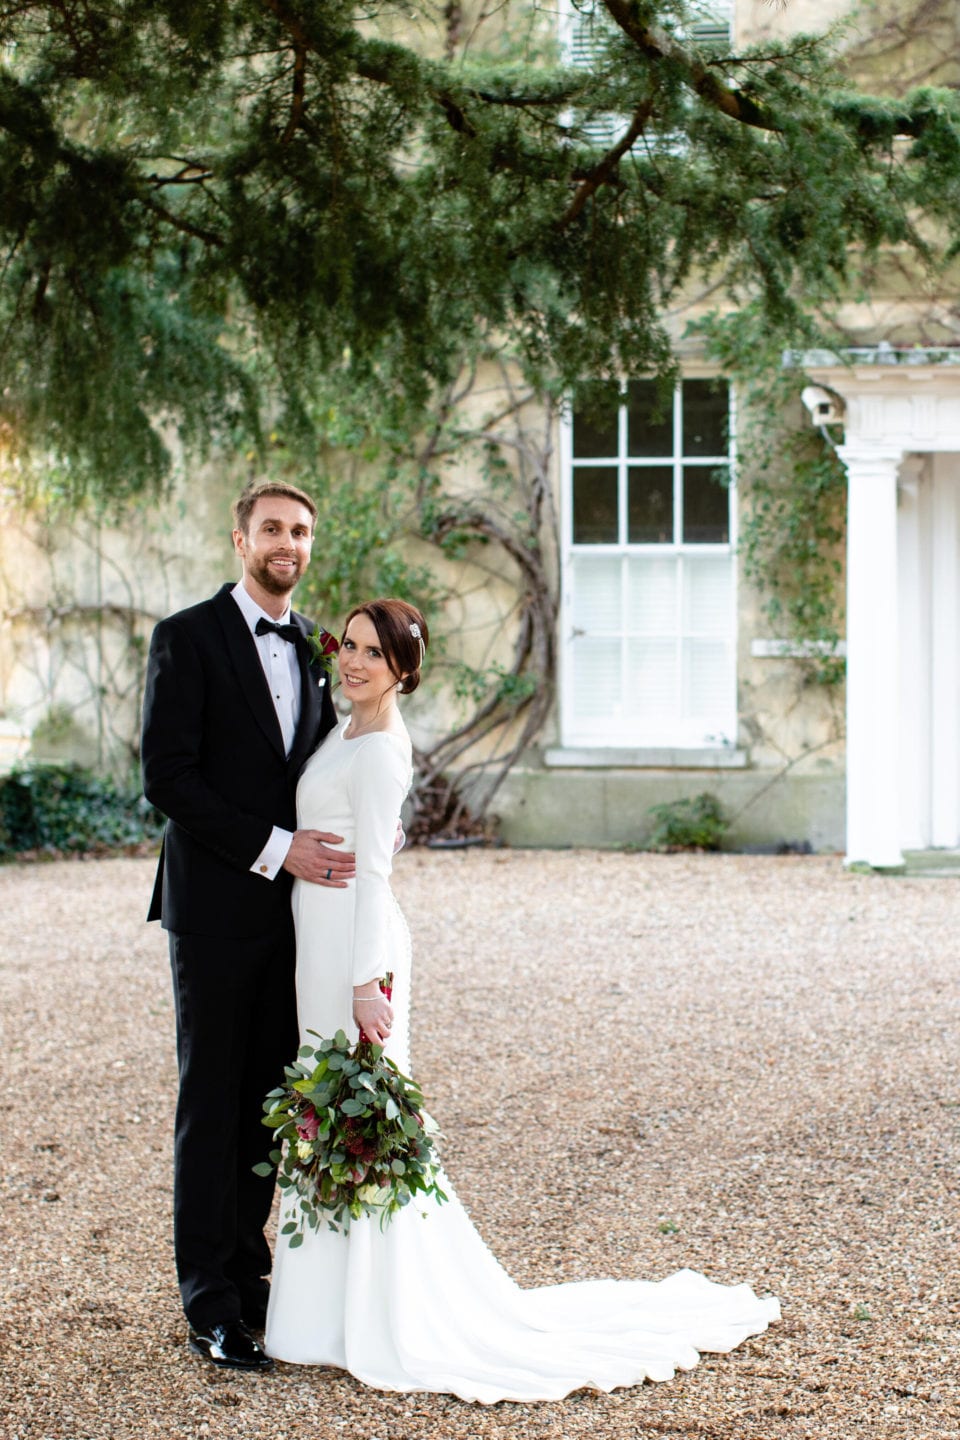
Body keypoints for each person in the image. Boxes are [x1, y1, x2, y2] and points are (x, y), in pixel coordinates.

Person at [264, 597, 780, 1402]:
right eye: (352, 646)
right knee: (326, 1110)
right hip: (318, 942)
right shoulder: (347, 724)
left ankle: (371, 1310)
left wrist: (368, 982)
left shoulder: (381, 749)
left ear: (405, 670)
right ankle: (324, 1307)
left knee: (359, 1119)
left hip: (354, 954)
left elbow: (375, 872)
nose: (356, 662)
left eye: (375, 654)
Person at [141, 481, 351, 1373]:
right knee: (211, 1105)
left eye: (301, 531)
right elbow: (169, 776)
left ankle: (253, 1276)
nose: (287, 543)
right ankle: (210, 1303)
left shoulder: (314, 648)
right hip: (217, 911)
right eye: (272, 528)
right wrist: (277, 849)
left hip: (294, 922)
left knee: (267, 1111)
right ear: (240, 539)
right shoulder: (186, 638)